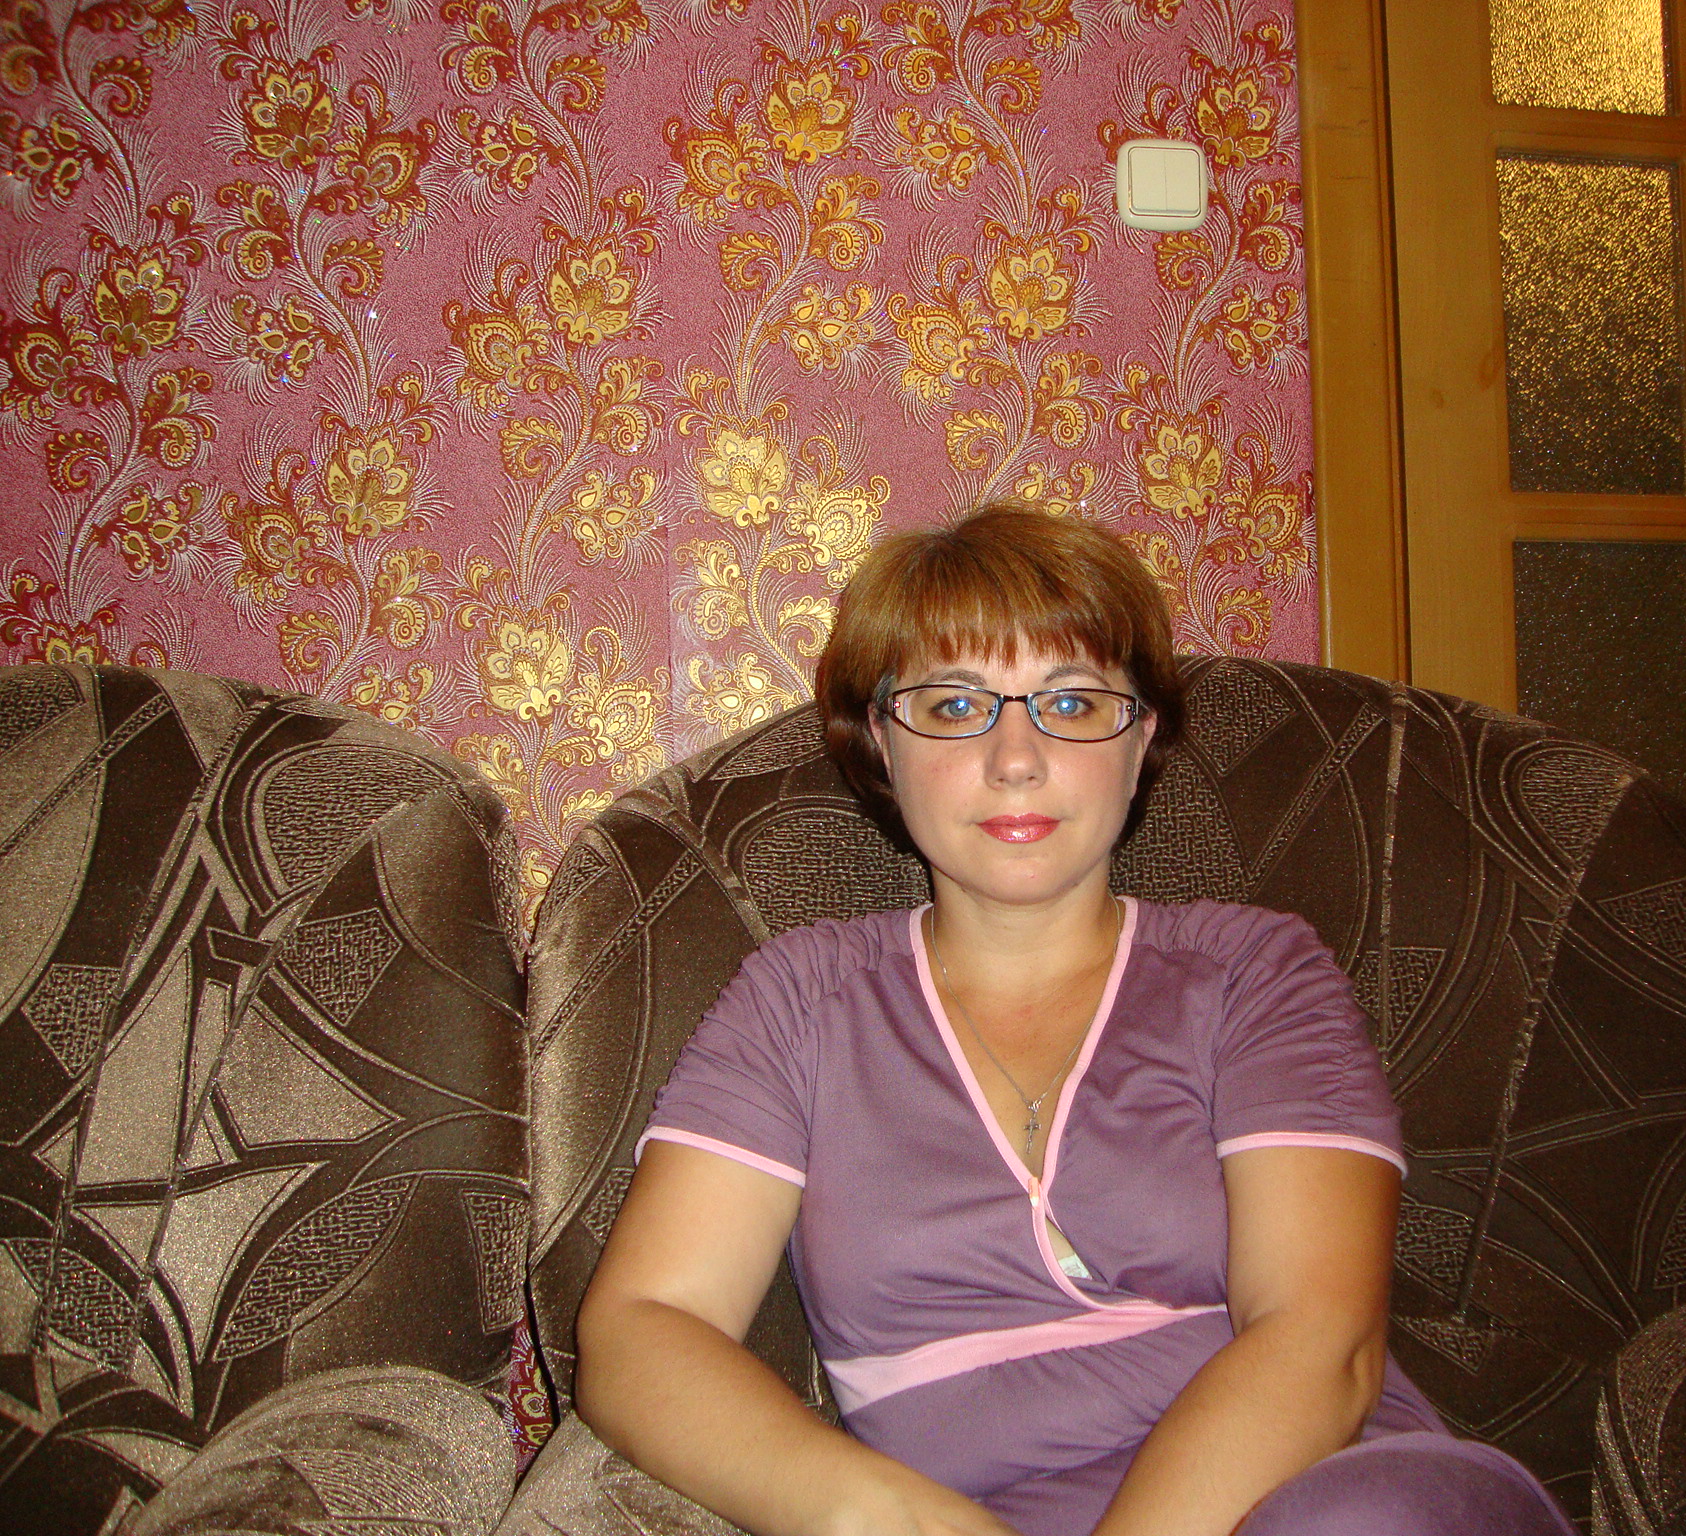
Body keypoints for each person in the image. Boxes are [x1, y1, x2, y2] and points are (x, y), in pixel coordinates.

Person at [575, 505, 1572, 1536]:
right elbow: (646, 1327)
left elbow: (1322, 1342)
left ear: (1139, 741)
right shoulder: (798, 1001)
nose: (1016, 758)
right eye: (953, 705)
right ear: (881, 743)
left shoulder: (1252, 973)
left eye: (1072, 702)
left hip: (1328, 1495)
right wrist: (875, 1515)